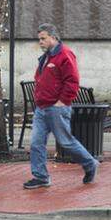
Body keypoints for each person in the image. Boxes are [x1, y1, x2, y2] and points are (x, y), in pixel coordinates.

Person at [23, 24, 98, 189]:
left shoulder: (65, 54)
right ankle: (41, 177)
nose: (40, 42)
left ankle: (90, 164)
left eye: (43, 38)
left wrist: (62, 102)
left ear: (53, 37)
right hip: (42, 109)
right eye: (39, 39)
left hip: (57, 108)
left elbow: (72, 81)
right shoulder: (47, 57)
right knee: (36, 143)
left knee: (66, 142)